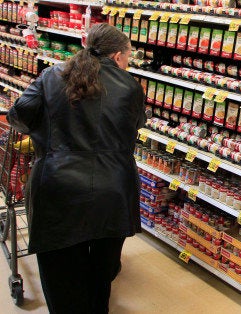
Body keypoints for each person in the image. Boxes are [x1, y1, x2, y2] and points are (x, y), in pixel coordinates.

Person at [7, 23, 145, 313]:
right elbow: (134, 126)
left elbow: (18, 116)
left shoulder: (51, 76)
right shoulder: (131, 86)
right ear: (119, 56)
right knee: (101, 278)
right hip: (113, 191)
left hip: (59, 190)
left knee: (62, 283)